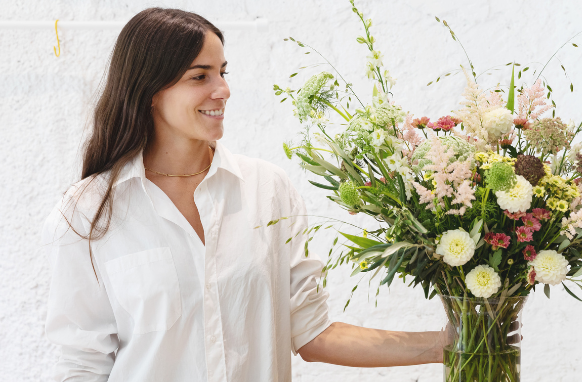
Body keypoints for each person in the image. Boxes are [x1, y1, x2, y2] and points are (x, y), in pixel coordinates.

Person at [42, 8, 445, 381]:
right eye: (200, 76)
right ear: (150, 91)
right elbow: (81, 363)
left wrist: (450, 343)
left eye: (222, 72)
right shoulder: (89, 211)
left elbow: (312, 332)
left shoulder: (267, 190)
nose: (223, 90)